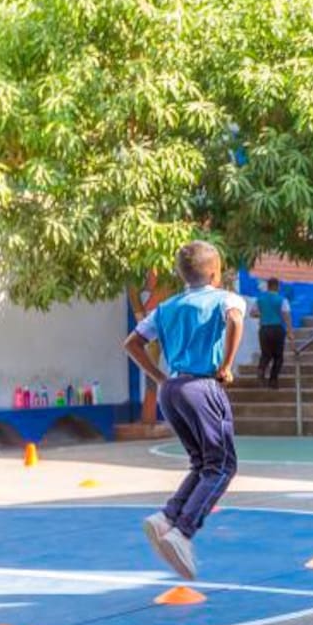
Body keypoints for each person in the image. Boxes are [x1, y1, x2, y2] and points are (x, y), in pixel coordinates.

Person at [122, 241, 244, 579]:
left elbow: (131, 343)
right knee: (222, 466)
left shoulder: (167, 307)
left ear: (182, 275)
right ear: (216, 272)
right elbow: (235, 321)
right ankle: (183, 532)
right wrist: (226, 365)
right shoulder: (227, 299)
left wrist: (160, 377)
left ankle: (167, 517)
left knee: (202, 462)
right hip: (203, 386)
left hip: (171, 389)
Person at [253, 277, 293, 389]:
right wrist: (290, 331)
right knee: (278, 356)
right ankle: (273, 380)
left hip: (264, 329)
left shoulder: (260, 300)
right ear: (277, 286)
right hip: (277, 329)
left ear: (268, 286)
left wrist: (263, 315)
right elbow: (286, 315)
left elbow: (253, 313)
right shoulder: (282, 300)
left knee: (266, 354)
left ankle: (261, 370)